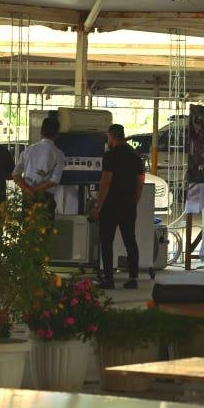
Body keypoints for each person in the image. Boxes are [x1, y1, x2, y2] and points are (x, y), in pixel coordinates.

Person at [93, 124, 145, 290]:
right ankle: (133, 278)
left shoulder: (110, 155)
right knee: (130, 240)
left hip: (111, 204)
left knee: (107, 241)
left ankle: (109, 279)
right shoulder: (135, 156)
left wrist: (98, 205)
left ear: (112, 137)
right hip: (129, 204)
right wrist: (134, 202)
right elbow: (140, 183)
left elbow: (106, 181)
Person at [13, 114, 68, 218]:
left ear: (41, 132)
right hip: (46, 198)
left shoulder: (28, 150)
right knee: (45, 227)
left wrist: (28, 190)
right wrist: (35, 190)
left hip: (27, 197)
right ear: (57, 134)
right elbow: (54, 181)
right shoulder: (59, 154)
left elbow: (15, 174)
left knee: (28, 227)